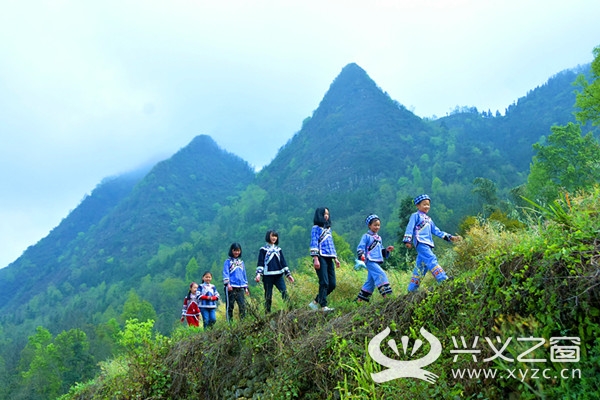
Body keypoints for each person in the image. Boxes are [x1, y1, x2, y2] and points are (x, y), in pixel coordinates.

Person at [403, 194, 462, 292]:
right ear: (418, 206)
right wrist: (408, 240)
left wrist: (451, 237)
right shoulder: (415, 216)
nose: (427, 206)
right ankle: (442, 279)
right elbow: (410, 227)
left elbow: (437, 231)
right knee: (431, 259)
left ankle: (411, 290)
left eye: (428, 205)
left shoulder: (429, 220)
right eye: (424, 204)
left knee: (421, 267)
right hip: (420, 242)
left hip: (428, 243)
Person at [356, 214, 394, 302]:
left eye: (378, 225)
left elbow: (380, 250)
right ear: (369, 225)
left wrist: (387, 250)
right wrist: (361, 254)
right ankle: (387, 297)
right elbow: (360, 247)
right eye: (375, 225)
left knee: (370, 282)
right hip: (369, 260)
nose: (377, 227)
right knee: (381, 274)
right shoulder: (366, 236)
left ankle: (360, 301)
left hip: (376, 260)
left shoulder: (379, 238)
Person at [255, 230, 294, 313]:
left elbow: (283, 262)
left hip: (278, 275)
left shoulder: (278, 249)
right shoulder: (263, 249)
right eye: (272, 236)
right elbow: (261, 262)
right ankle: (267, 314)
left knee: (284, 292)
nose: (274, 238)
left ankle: (291, 310)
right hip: (267, 275)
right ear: (268, 236)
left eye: (275, 236)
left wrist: (288, 274)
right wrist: (258, 274)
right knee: (268, 296)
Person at [309, 207, 340, 312]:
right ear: (319, 215)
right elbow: (314, 243)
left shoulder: (328, 229)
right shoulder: (315, 228)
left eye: (327, 214)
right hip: (320, 257)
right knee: (324, 282)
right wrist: (315, 258)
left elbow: (331, 245)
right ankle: (323, 306)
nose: (326, 216)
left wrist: (335, 259)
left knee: (332, 284)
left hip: (329, 257)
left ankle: (315, 302)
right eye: (324, 214)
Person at [223, 242, 249, 322]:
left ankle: (243, 323)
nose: (236, 252)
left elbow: (244, 274)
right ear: (232, 251)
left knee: (242, 306)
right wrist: (228, 284)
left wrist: (246, 287)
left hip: (240, 287)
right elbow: (225, 273)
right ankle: (229, 324)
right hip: (231, 287)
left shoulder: (241, 262)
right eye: (235, 250)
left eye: (238, 251)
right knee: (230, 306)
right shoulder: (228, 262)